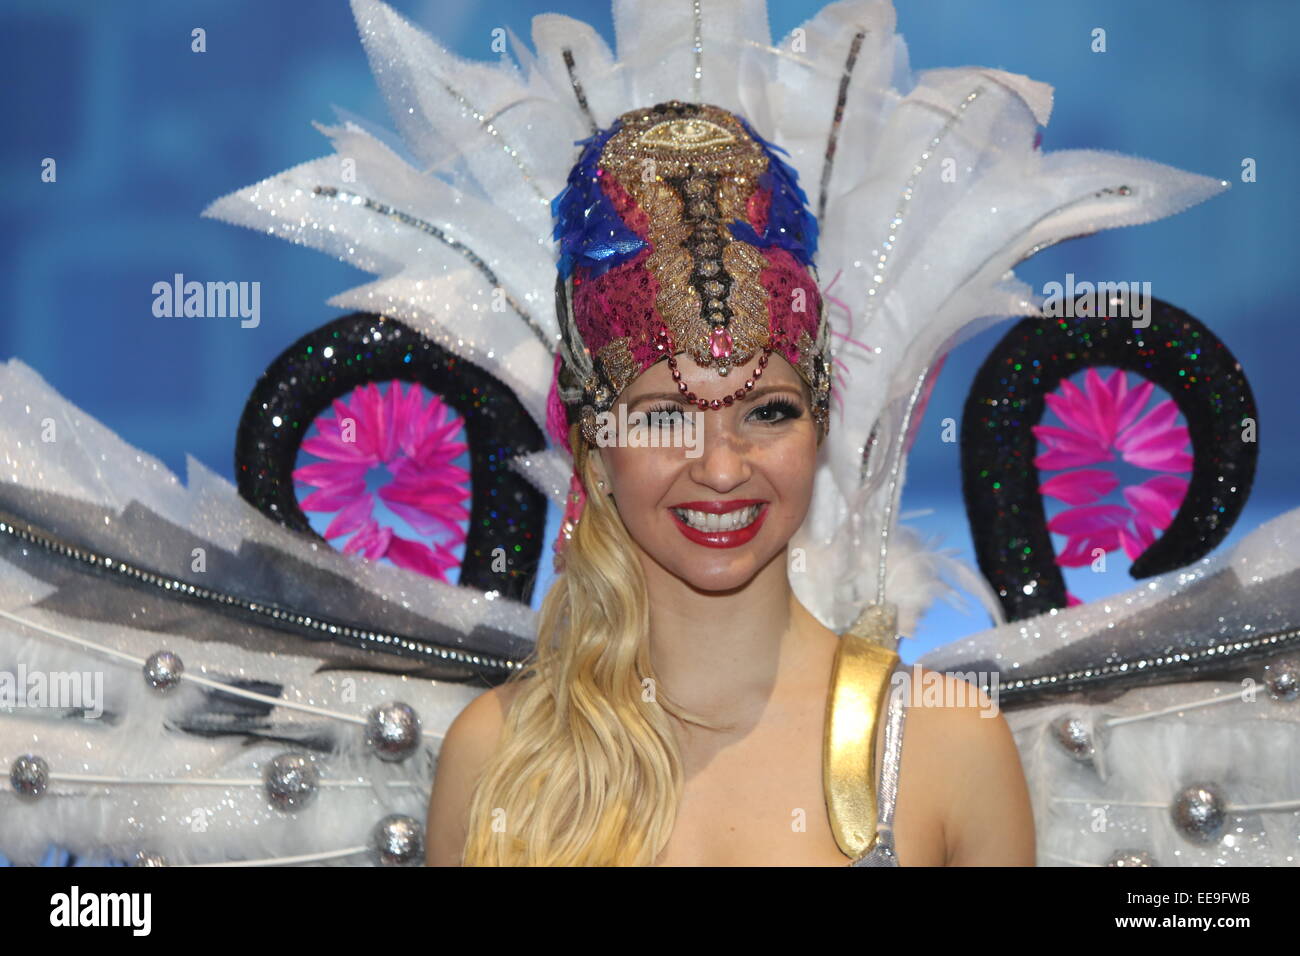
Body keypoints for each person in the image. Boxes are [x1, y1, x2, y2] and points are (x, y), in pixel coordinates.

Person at [425, 100, 1035, 867]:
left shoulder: (949, 750)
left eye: (767, 412)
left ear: (818, 424)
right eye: (663, 418)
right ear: (595, 447)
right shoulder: (496, 759)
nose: (719, 467)